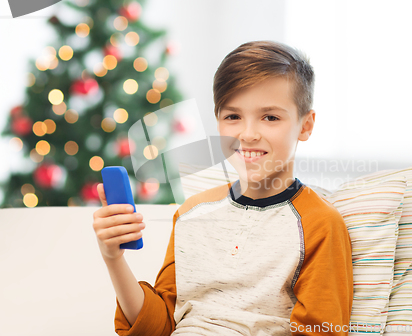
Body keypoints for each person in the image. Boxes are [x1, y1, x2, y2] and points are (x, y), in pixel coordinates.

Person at [92, 40, 353, 336]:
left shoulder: (319, 225)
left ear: (305, 125)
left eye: (270, 117)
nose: (248, 134)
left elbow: (323, 331)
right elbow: (159, 326)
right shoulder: (191, 213)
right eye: (233, 117)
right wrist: (113, 259)